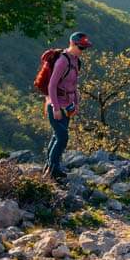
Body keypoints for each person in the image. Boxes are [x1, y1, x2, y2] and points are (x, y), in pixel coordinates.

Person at [44, 30, 90, 178]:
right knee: (62, 138)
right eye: (80, 47)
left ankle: (49, 167)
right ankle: (53, 170)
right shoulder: (63, 61)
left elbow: (74, 85)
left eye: (84, 48)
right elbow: (51, 86)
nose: (82, 50)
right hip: (56, 104)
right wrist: (55, 108)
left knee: (56, 136)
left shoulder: (76, 61)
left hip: (68, 105)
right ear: (72, 44)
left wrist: (76, 104)